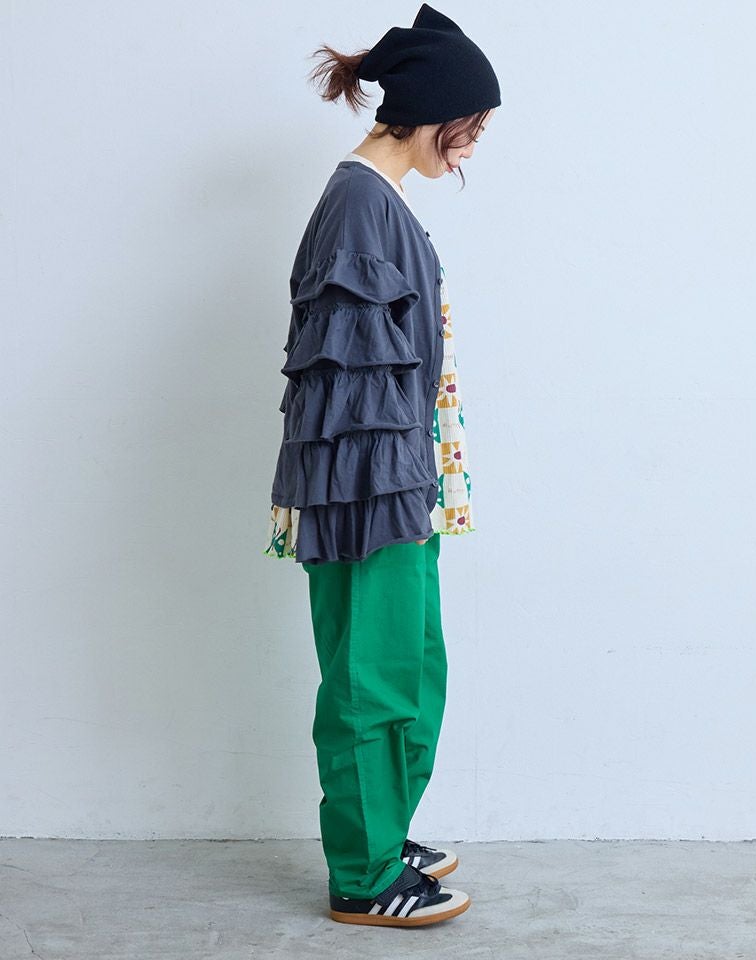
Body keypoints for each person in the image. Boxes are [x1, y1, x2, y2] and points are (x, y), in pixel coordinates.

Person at [263, 3, 500, 927]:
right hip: (368, 491)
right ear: (433, 110)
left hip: (397, 484)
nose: (473, 146)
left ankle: (383, 830)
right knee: (372, 679)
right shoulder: (362, 207)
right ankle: (363, 878)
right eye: (471, 126)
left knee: (410, 667)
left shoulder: (378, 202)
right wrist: (391, 498)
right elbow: (348, 381)